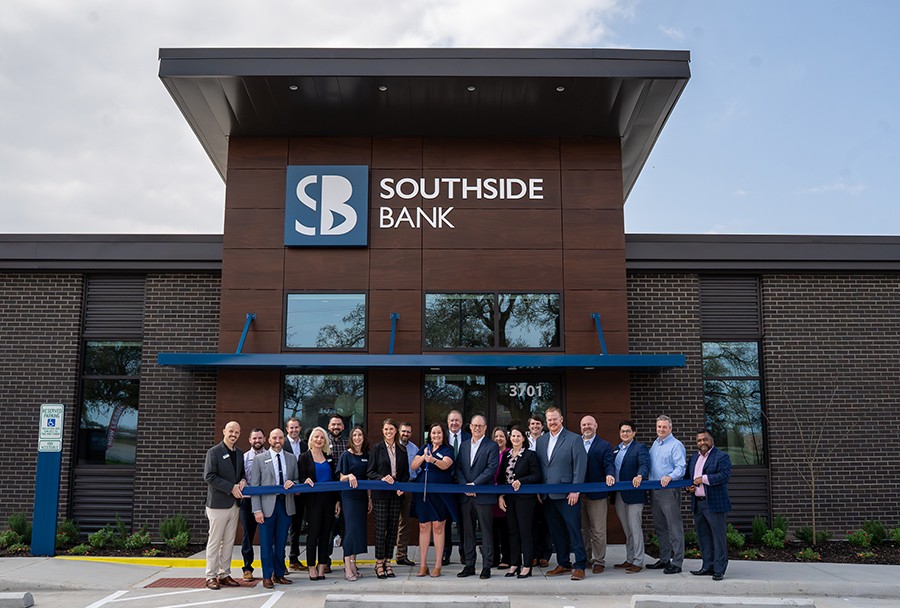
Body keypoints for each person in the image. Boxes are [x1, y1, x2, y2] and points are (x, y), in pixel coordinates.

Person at [536, 406, 588, 581]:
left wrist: (575, 489)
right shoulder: (541, 441)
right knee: (556, 532)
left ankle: (580, 565)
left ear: (561, 419)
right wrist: (539, 490)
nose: (552, 422)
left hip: (568, 495)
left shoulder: (574, 439)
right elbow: (541, 467)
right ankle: (563, 563)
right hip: (547, 495)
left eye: (555, 419)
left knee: (574, 530)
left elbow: (580, 465)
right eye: (549, 420)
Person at [251, 428, 298, 589]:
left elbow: (297, 479)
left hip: (285, 505)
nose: (278, 440)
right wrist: (257, 510)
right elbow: (255, 486)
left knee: (281, 543)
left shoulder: (291, 458)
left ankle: (279, 574)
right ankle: (267, 576)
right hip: (266, 507)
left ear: (283, 440)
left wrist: (293, 483)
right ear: (269, 440)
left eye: (280, 438)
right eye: (274, 438)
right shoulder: (259, 459)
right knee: (266, 543)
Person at [455, 414, 500, 580]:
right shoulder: (464, 445)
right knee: (467, 532)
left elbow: (491, 469)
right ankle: (469, 565)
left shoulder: (492, 446)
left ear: (485, 428)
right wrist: (465, 485)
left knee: (486, 532)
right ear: (470, 427)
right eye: (474, 425)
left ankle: (487, 566)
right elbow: (458, 467)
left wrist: (475, 484)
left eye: (480, 426)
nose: (477, 428)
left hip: (483, 496)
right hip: (466, 497)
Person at [410, 421, 457, 578]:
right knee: (423, 526)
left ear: (443, 435)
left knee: (438, 526)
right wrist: (424, 457)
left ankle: (438, 565)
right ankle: (423, 565)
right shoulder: (425, 448)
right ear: (430, 435)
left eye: (439, 433)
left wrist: (433, 460)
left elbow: (446, 465)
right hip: (423, 492)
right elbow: (413, 465)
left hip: (440, 493)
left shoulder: (448, 449)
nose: (436, 435)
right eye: (433, 433)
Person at [203, 420, 246, 590]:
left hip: (234, 504)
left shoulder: (240, 453)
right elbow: (209, 476)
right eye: (231, 431)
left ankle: (224, 574)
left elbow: (241, 473)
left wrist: (242, 480)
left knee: (228, 542)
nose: (233, 434)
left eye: (237, 432)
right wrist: (231, 488)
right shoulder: (214, 452)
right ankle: (210, 576)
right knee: (215, 542)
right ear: (224, 432)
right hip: (218, 505)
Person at [497, 425, 542, 579]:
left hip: (525, 500)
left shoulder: (530, 455)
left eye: (518, 436)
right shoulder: (506, 455)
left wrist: (521, 481)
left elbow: (536, 475)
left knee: (525, 532)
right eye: (513, 436)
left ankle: (527, 565)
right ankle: (514, 564)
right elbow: (501, 479)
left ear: (524, 438)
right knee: (512, 532)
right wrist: (500, 496)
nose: (515, 438)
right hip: (509, 499)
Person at [367, 418, 409, 579]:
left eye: (391, 429)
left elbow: (405, 473)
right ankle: (379, 563)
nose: (388, 432)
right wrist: (382, 478)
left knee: (392, 529)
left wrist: (401, 486)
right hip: (380, 494)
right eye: (385, 429)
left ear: (396, 430)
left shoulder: (402, 450)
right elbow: (370, 472)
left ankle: (387, 561)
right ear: (382, 431)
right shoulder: (376, 449)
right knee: (381, 528)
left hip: (396, 495)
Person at [687, 429, 732, 581]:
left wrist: (703, 479)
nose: (702, 443)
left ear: (711, 440)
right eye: (699, 440)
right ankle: (707, 566)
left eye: (705, 439)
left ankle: (719, 569)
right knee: (704, 537)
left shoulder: (721, 456)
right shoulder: (694, 458)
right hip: (698, 503)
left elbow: (725, 475)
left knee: (718, 538)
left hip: (714, 503)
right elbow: (689, 478)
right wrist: (689, 488)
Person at [297, 426, 340, 581]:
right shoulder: (304, 457)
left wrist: (337, 501)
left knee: (326, 535)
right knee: (313, 534)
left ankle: (322, 566)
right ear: (311, 439)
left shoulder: (329, 457)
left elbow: (334, 480)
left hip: (329, 500)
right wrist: (305, 480)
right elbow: (300, 477)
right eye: (316, 437)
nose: (319, 440)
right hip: (313, 501)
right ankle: (311, 567)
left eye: (322, 437)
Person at [647, 414, 687, 575]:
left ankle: (677, 562)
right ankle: (664, 559)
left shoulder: (676, 445)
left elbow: (681, 467)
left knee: (674, 526)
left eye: (664, 427)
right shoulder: (655, 444)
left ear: (670, 428)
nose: (661, 429)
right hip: (654, 490)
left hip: (668, 490)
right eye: (659, 427)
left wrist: (670, 476)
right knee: (660, 526)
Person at [612, 420, 650, 574]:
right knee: (627, 529)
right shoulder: (616, 449)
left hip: (634, 493)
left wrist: (640, 475)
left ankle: (638, 561)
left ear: (634, 433)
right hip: (619, 494)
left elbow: (644, 464)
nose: (625, 433)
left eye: (628, 431)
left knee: (635, 529)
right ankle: (629, 558)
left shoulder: (640, 448)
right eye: (622, 431)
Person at [579, 415, 615, 575]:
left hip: (597, 494)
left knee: (598, 530)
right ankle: (585, 558)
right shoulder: (575, 442)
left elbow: (609, 464)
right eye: (584, 424)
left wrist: (610, 474)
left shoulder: (604, 445)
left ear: (596, 426)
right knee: (583, 529)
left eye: (589, 424)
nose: (587, 427)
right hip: (578, 494)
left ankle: (599, 561)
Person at [338, 425, 371, 581]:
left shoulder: (366, 456)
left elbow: (368, 478)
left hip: (362, 497)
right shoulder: (346, 455)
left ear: (364, 438)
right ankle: (347, 567)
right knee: (350, 531)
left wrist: (369, 498)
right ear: (351, 438)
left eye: (360, 435)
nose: (357, 438)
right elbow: (341, 478)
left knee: (358, 531)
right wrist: (349, 475)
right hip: (349, 498)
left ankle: (353, 564)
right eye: (355, 435)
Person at [443, 409, 470, 566]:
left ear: (461, 422)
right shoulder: (441, 437)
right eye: (451, 420)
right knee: (445, 520)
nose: (454, 423)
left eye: (457, 420)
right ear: (448, 422)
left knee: (463, 520)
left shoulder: (469, 438)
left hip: (463, 483)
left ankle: (464, 552)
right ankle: (445, 553)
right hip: (445, 484)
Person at [240, 428, 266, 581]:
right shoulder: (243, 458)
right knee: (247, 536)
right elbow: (239, 476)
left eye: (260, 438)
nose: (257, 441)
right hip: (248, 500)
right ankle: (247, 568)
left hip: (266, 500)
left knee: (269, 536)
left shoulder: (269, 456)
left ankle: (273, 567)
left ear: (265, 439)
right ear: (250, 440)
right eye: (254, 438)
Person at [527, 413, 552, 567]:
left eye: (538, 424)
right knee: (533, 523)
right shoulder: (524, 441)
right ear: (529, 426)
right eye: (532, 424)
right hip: (530, 488)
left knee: (547, 522)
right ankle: (534, 554)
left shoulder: (548, 440)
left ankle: (545, 555)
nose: (535, 426)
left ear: (542, 426)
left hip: (546, 487)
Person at [283, 417, 308, 572]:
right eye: (291, 428)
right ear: (287, 429)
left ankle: (294, 558)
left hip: (301, 492)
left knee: (297, 526)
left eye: (296, 427)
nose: (294, 430)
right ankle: (280, 561)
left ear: (300, 428)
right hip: (286, 492)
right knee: (283, 527)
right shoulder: (282, 444)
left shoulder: (305, 445)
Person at [395, 421, 419, 567]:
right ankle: (384, 557)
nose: (406, 434)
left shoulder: (414, 448)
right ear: (399, 431)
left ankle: (401, 555)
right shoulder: (391, 446)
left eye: (408, 432)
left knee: (405, 522)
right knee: (389, 523)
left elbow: (418, 470)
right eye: (403, 431)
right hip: (393, 487)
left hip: (409, 487)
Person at [491, 426, 511, 569]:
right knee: (492, 529)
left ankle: (507, 557)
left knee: (505, 529)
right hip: (490, 496)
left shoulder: (509, 453)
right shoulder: (490, 453)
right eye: (496, 436)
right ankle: (494, 557)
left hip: (504, 496)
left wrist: (501, 494)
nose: (498, 439)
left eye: (501, 436)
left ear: (506, 438)